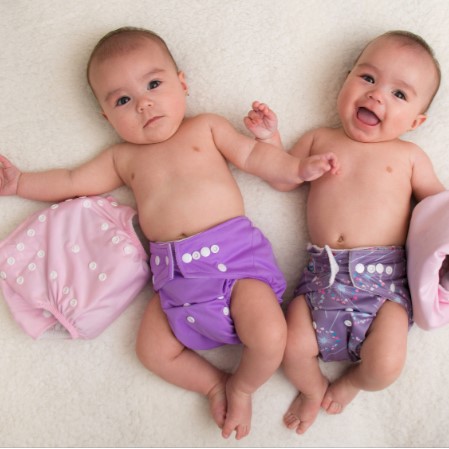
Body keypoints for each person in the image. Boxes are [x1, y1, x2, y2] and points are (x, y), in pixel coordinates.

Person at [0, 27, 339, 440]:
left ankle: (243, 387)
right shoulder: (122, 158)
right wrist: (21, 184)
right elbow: (73, 179)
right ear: (108, 118)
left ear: (182, 83)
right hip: (175, 283)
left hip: (235, 267)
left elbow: (253, 156)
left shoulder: (207, 129)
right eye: (123, 100)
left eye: (154, 84)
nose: (143, 104)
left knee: (270, 337)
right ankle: (214, 383)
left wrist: (296, 169)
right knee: (151, 352)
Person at [245, 30, 446, 435]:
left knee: (386, 365)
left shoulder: (409, 157)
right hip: (322, 279)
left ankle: (352, 383)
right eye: (367, 78)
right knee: (291, 347)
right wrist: (271, 141)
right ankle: (313, 387)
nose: (376, 96)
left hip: (384, 288)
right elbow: (284, 178)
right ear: (346, 80)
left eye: (399, 94)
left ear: (417, 121)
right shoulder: (320, 139)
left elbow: (439, 208)